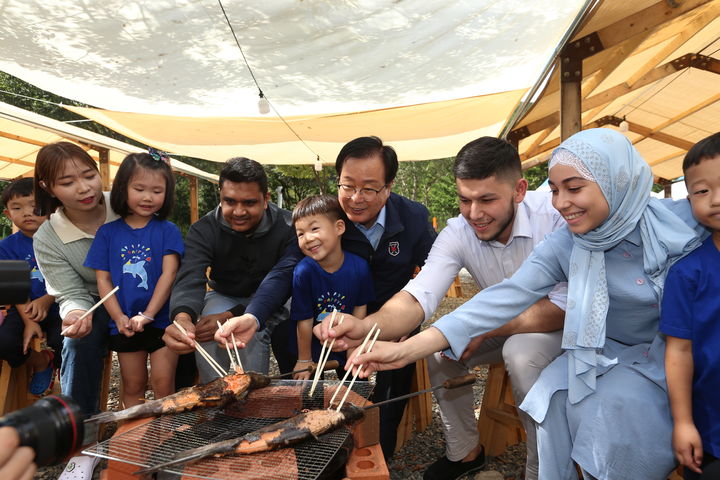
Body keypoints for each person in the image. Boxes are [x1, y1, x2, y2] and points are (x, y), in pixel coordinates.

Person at [352, 128, 708, 479]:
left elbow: (562, 309)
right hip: (606, 351)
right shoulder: (569, 241)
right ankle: (480, 456)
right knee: (555, 400)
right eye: (555, 190)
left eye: (574, 188)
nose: (562, 202)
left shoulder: (684, 218)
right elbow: (497, 298)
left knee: (587, 398)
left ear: (617, 180)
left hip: (673, 349)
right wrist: (401, 348)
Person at [316, 136, 566, 480]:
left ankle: (543, 470)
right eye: (465, 199)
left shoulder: (555, 215)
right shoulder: (458, 231)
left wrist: (484, 328)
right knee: (440, 355)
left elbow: (566, 308)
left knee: (521, 353)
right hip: (498, 324)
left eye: (487, 200)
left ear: (519, 190)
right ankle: (465, 452)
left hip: (564, 327)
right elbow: (418, 295)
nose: (474, 214)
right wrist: (363, 327)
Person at [218, 136, 436, 457]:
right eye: (347, 186)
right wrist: (253, 315)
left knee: (386, 386)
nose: (355, 198)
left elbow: (436, 270)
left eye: (369, 188)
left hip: (389, 326)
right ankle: (311, 430)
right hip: (331, 325)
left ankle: (375, 454)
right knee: (286, 338)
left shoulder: (413, 218)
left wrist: (411, 318)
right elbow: (286, 268)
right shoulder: (327, 217)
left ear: (389, 187)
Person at [162, 157, 297, 380]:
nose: (238, 211)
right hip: (226, 293)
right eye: (230, 201)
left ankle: (252, 404)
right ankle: (215, 402)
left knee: (247, 333)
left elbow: (283, 282)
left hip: (282, 297)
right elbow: (190, 277)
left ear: (266, 199)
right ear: (221, 198)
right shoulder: (204, 229)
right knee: (207, 328)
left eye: (249, 203)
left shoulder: (289, 227)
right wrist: (183, 319)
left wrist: (231, 315)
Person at [84, 152, 183, 408]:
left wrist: (149, 314)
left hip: (162, 321)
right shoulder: (107, 233)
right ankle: (131, 440)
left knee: (163, 384)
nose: (148, 197)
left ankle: (167, 440)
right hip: (125, 322)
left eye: (157, 190)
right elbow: (103, 280)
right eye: (139, 188)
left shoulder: (168, 231)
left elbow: (168, 274)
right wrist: (118, 318)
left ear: (167, 193)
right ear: (123, 188)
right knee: (133, 385)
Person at [33, 141, 119, 416]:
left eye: (89, 175)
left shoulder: (126, 204)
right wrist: (76, 313)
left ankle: (183, 424)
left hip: (148, 296)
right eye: (68, 182)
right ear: (48, 187)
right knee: (77, 344)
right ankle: (81, 441)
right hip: (95, 302)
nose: (84, 188)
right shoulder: (48, 237)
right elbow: (69, 292)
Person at [661, 132, 720, 480]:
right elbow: (679, 351)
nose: (715, 199)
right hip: (712, 426)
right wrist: (683, 422)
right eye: (702, 191)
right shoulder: (687, 273)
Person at [286, 194, 373, 380]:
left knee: (354, 394)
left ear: (339, 227)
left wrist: (353, 347)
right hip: (312, 342)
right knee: (311, 397)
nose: (307, 238)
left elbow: (360, 307)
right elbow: (305, 319)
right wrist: (304, 359)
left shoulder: (360, 267)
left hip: (346, 339)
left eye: (314, 228)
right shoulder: (303, 271)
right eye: (300, 234)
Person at [0, 178, 62, 396]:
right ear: (8, 214)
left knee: (64, 339)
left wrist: (47, 300)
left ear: (50, 208)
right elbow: (12, 287)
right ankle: (41, 361)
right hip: (23, 307)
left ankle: (70, 387)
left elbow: (69, 277)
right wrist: (28, 321)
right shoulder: (6, 247)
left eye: (34, 207)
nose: (27, 213)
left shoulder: (62, 240)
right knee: (5, 342)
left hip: (58, 304)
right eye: (17, 208)